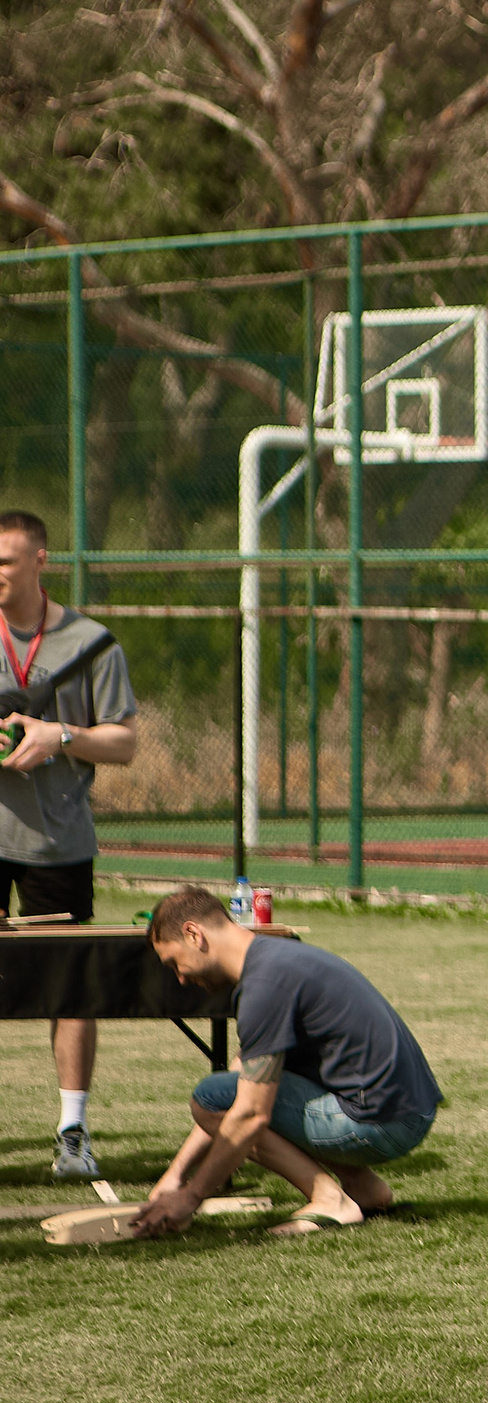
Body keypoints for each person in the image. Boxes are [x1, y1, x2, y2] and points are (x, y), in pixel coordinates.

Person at [131, 886, 443, 1238]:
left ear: (194, 934)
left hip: (381, 1124)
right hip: (407, 1112)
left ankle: (329, 1199)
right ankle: (363, 1188)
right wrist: (176, 1175)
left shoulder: (264, 984)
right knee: (226, 1093)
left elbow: (247, 1114)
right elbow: (241, 1076)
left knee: (212, 1096)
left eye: (175, 963)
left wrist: (191, 1196)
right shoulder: (274, 960)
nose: (182, 978)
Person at [0, 510, 139, 1181]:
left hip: (57, 841)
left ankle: (72, 1129)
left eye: (7, 560)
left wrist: (61, 736)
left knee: (69, 987)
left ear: (40, 561)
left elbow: (127, 742)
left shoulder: (91, 643)